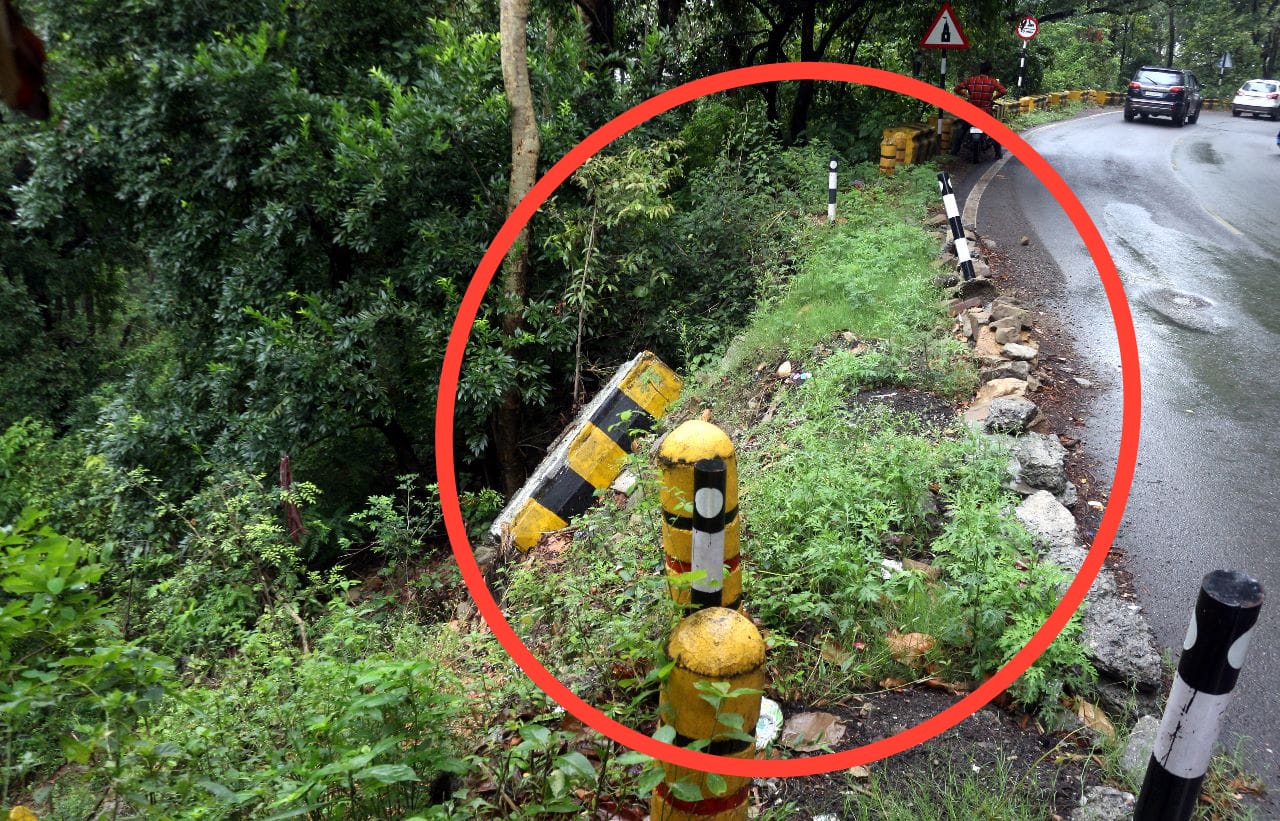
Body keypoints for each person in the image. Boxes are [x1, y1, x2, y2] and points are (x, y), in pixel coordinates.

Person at [954, 61, 1006, 157]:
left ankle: (954, 151)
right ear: (989, 71)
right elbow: (1003, 91)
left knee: (962, 130)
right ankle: (998, 153)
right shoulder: (992, 82)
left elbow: (957, 88)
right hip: (986, 112)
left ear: (980, 70)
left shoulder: (971, 80)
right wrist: (993, 98)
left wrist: (967, 96)